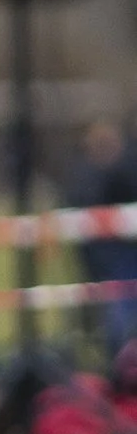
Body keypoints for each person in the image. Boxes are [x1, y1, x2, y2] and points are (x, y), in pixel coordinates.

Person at [69, 113, 137, 365]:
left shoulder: (126, 165)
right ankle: (117, 363)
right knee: (111, 312)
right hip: (99, 256)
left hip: (124, 254)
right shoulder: (82, 173)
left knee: (119, 310)